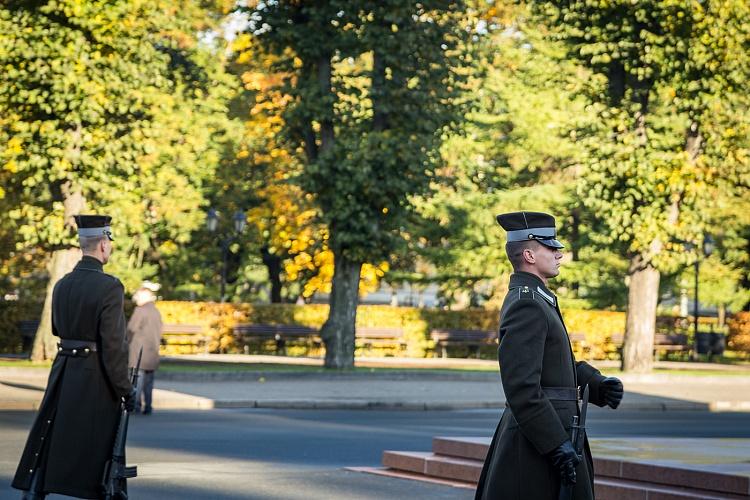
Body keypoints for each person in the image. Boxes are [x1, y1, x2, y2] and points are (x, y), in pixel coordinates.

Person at [475, 211, 624, 500]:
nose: (559, 253)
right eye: (551, 247)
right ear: (529, 254)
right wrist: (555, 444)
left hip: (550, 434)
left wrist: (597, 384)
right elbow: (522, 388)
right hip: (537, 444)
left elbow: (557, 363)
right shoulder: (527, 304)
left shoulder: (538, 298)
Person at [12, 214, 135, 500]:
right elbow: (114, 346)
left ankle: (39, 488)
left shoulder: (62, 285)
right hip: (95, 378)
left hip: (64, 371)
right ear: (103, 245)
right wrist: (125, 389)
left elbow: (57, 328)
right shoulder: (110, 287)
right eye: (110, 243)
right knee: (99, 452)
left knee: (53, 439)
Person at [127, 280, 163, 415]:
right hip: (152, 350)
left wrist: (126, 343)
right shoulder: (155, 311)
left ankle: (136, 405)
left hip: (139, 351)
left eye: (139, 296)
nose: (136, 298)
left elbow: (131, 329)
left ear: (145, 297)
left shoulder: (140, 310)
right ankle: (148, 405)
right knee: (149, 381)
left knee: (137, 379)